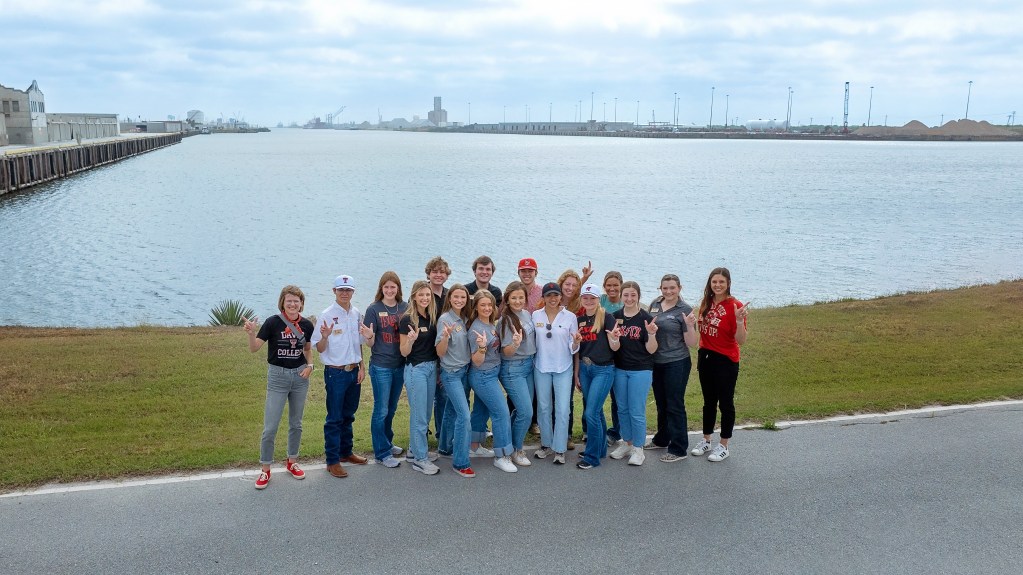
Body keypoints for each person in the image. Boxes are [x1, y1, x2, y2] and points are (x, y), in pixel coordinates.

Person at [244, 285, 314, 489]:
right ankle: (265, 469)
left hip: (300, 377)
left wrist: (310, 366)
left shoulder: (307, 324)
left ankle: (292, 462)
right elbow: (254, 348)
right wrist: (251, 333)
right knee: (270, 427)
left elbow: (308, 349)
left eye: (296, 300)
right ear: (282, 302)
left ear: (301, 303)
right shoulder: (273, 323)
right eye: (289, 300)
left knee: (296, 423)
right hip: (277, 377)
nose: (293, 304)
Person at [312, 274, 368, 479]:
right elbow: (319, 347)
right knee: (334, 417)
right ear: (334, 291)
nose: (345, 293)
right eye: (341, 289)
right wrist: (325, 336)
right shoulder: (326, 315)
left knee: (348, 414)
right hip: (336, 372)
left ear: (353, 291)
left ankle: (346, 452)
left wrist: (362, 366)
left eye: (348, 290)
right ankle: (332, 460)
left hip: (354, 370)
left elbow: (358, 343)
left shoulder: (356, 314)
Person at [691, 267, 749, 463]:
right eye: (714, 282)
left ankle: (724, 445)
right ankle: (706, 439)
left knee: (725, 403)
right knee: (708, 402)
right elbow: (702, 329)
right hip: (706, 356)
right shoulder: (706, 303)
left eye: (721, 282)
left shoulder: (735, 305)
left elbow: (741, 340)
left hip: (726, 360)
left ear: (728, 284)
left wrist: (740, 320)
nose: (717, 285)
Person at [645, 274, 699, 463]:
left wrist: (691, 326)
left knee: (674, 404)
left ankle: (678, 448)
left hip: (677, 362)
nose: (668, 291)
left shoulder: (684, 310)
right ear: (660, 289)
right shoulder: (654, 305)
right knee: (662, 403)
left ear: (679, 288)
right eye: (665, 288)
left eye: (672, 288)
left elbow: (692, 343)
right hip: (656, 362)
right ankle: (662, 439)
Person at [466, 290, 519, 473]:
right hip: (482, 375)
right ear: (476, 307)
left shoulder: (490, 324)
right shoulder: (476, 329)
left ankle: (473, 446)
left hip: (491, 373)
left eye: (490, 305)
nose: (487, 308)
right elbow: (477, 361)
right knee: (501, 413)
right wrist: (481, 348)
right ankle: (502, 455)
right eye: (483, 305)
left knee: (481, 411)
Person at [360, 271, 408, 468]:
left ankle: (387, 442)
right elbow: (369, 344)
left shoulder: (405, 307)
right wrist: (370, 336)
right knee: (381, 409)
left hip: (400, 365)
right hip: (381, 366)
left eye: (393, 287)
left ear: (398, 288)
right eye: (386, 287)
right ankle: (381, 452)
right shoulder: (373, 309)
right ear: (381, 289)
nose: (389, 290)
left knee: (392, 408)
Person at [609, 281, 658, 466]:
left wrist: (652, 334)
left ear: (638, 296)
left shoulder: (646, 318)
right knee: (622, 408)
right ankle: (627, 443)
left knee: (636, 410)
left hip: (641, 369)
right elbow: (613, 347)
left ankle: (639, 449)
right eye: (626, 295)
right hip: (620, 369)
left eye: (633, 295)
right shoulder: (614, 317)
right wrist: (613, 339)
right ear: (621, 296)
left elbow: (652, 350)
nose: (629, 299)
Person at [532, 282, 581, 465]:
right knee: (543, 408)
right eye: (548, 295)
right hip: (541, 367)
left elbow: (573, 345)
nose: (552, 299)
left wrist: (576, 343)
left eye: (556, 295)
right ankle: (546, 444)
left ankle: (559, 449)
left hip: (563, 368)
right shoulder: (535, 315)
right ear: (543, 298)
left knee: (562, 409)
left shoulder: (570, 317)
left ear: (561, 297)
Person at [575, 283, 619, 470]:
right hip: (585, 369)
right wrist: (576, 373)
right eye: (585, 297)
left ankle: (592, 457)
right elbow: (576, 350)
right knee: (597, 411)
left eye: (592, 298)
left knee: (591, 412)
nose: (589, 301)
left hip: (603, 369)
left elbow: (616, 347)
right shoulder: (579, 319)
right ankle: (600, 449)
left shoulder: (607, 318)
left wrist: (615, 338)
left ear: (598, 299)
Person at [400, 280, 441, 475]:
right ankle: (420, 459)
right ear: (414, 296)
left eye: (428, 295)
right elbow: (403, 351)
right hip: (416, 369)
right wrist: (410, 341)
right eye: (421, 294)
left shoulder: (432, 316)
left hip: (432, 368)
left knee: (425, 413)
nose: (425, 298)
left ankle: (413, 450)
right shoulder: (407, 319)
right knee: (420, 417)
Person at [435, 284, 476, 477]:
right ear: (449, 298)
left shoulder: (465, 318)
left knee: (451, 410)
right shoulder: (445, 319)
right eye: (456, 297)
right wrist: (445, 337)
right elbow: (440, 352)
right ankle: (460, 462)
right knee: (464, 415)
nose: (459, 300)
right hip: (451, 373)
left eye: (463, 297)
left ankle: (444, 448)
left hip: (465, 372)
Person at [498, 281, 536, 467]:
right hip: (513, 368)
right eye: (514, 298)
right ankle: (517, 450)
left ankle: (510, 445)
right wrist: (515, 343)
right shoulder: (505, 320)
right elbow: (506, 352)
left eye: (521, 297)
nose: (518, 300)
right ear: (507, 299)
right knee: (526, 412)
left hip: (529, 365)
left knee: (521, 411)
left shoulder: (527, 314)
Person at [424, 257, 451, 449]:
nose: (438, 275)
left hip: (446, 353)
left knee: (443, 396)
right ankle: (422, 432)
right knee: (425, 397)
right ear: (428, 274)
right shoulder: (422, 294)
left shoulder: (450, 296)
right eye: (435, 271)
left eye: (442, 272)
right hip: (425, 353)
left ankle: (442, 434)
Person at [599, 271, 625, 446]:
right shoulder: (600, 300)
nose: (612, 288)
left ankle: (616, 432)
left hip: (621, 356)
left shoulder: (627, 302)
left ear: (621, 285)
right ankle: (595, 430)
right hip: (601, 354)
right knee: (598, 396)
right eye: (609, 285)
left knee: (618, 398)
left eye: (615, 285)